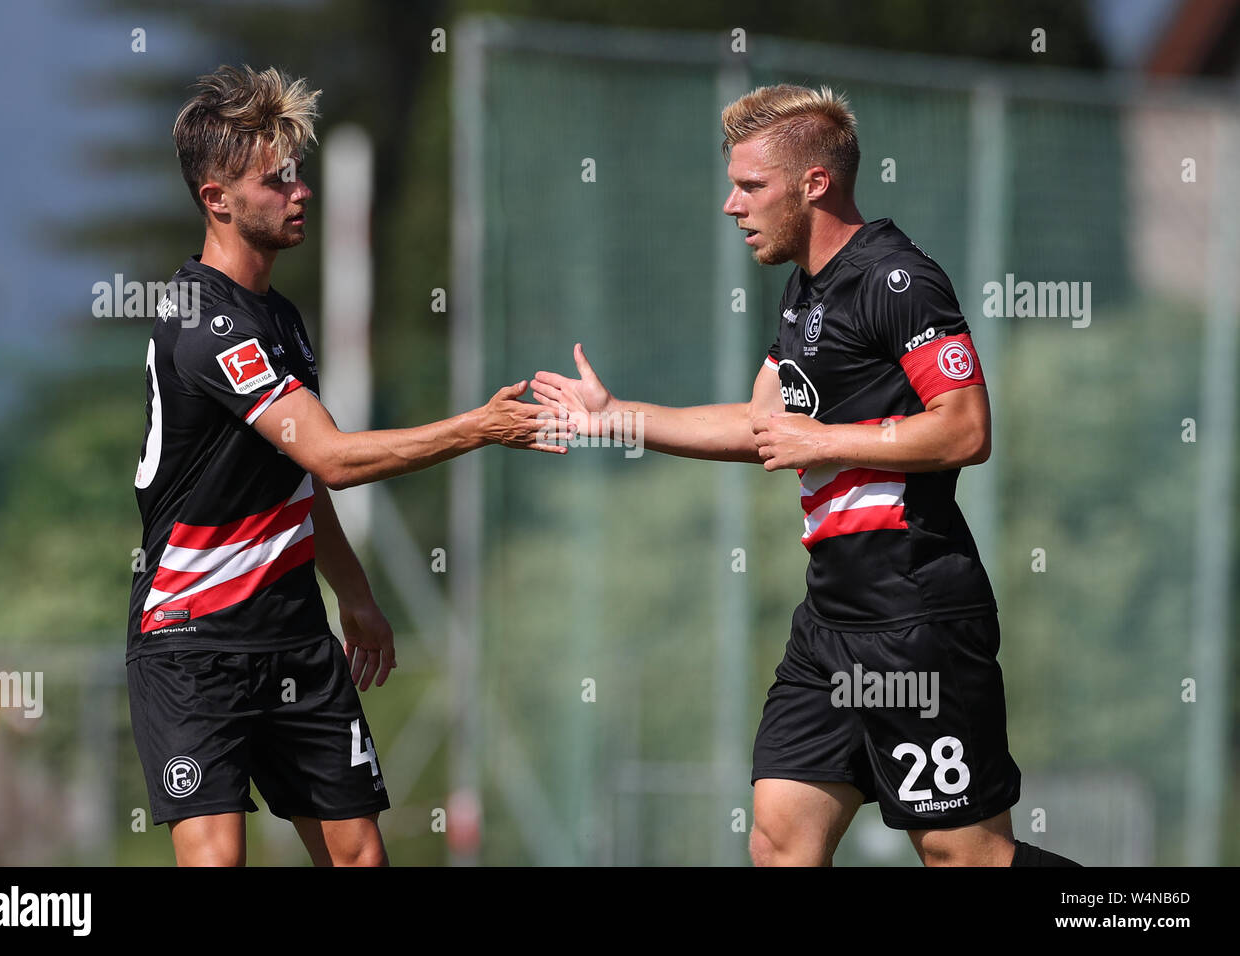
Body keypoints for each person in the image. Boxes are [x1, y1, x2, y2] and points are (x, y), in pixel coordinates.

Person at [532, 84, 1076, 867]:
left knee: (966, 855)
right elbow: (762, 429)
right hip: (829, 626)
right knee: (781, 841)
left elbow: (965, 427)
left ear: (813, 183)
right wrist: (612, 416)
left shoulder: (897, 280)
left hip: (914, 624)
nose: (732, 205)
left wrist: (828, 440)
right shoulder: (803, 291)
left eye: (750, 186)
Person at [128, 64, 568, 866]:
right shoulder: (203, 320)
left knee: (361, 855)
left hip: (294, 638)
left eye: (298, 175)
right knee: (216, 859)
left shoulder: (281, 318)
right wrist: (479, 425)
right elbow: (331, 457)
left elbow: (296, 478)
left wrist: (355, 598)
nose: (299, 192)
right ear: (215, 198)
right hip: (193, 640)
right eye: (275, 181)